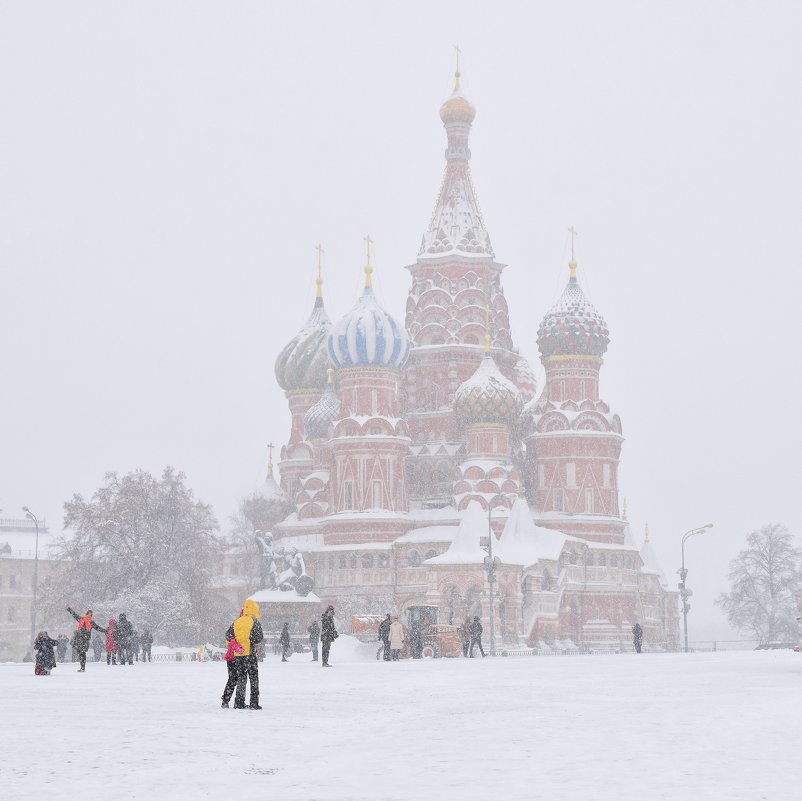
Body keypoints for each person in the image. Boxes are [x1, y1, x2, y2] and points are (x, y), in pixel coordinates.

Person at [226, 599, 263, 709]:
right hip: (250, 654)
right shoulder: (254, 621)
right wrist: (251, 641)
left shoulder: (237, 621)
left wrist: (238, 642)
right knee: (253, 678)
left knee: (241, 678)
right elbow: (259, 637)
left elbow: (228, 635)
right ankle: (254, 703)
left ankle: (239, 702)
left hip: (238, 655)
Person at [66, 606, 108, 672]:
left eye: (91, 614)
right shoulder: (81, 619)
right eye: (89, 613)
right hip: (79, 639)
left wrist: (105, 631)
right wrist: (69, 609)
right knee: (80, 653)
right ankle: (82, 666)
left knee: (82, 653)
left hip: (85, 640)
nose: (89, 615)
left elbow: (98, 628)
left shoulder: (91, 622)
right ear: (86, 614)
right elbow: (74, 615)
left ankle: (83, 667)